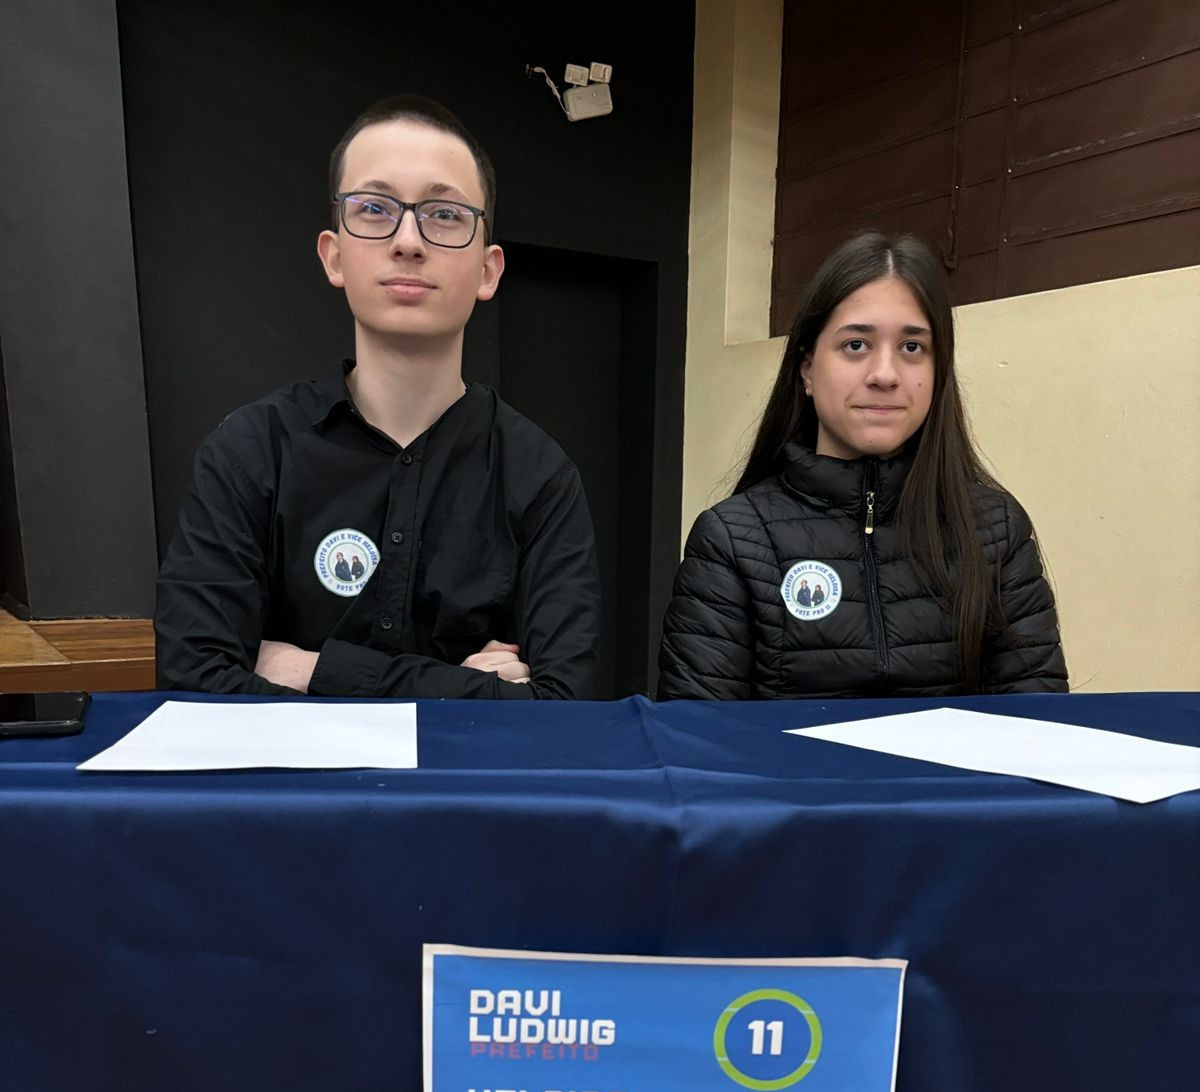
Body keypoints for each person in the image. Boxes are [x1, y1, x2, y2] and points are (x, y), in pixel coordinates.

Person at [155, 96, 600, 699]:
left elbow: (564, 703)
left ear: (488, 270)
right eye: (374, 208)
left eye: (445, 214)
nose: (408, 241)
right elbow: (192, 681)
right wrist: (463, 689)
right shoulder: (250, 452)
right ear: (334, 255)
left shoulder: (540, 477)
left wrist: (307, 670)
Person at [658, 230, 1067, 699]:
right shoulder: (734, 540)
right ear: (807, 370)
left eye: (912, 347)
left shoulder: (995, 531)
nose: (885, 375)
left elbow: (1037, 722)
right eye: (856, 345)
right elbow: (698, 731)